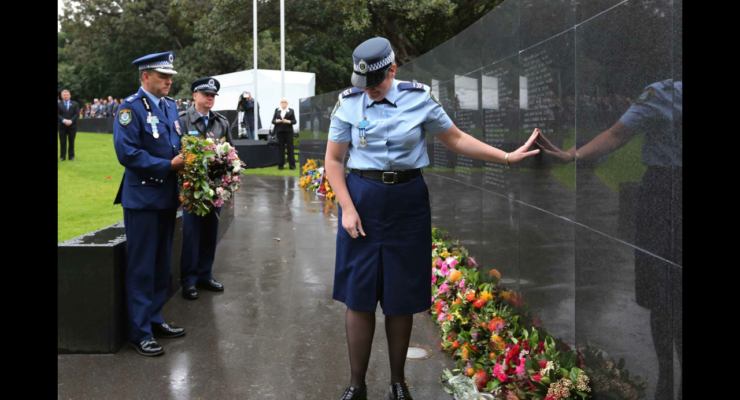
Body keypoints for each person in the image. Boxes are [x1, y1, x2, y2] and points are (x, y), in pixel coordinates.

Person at [325, 37, 541, 400]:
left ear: (393, 70)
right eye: (365, 84)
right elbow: (334, 161)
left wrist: (505, 156)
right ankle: (356, 385)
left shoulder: (419, 98)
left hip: (408, 202)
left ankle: (398, 383)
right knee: (358, 295)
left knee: (401, 294)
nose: (370, 90)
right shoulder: (348, 102)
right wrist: (346, 207)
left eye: (376, 82)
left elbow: (455, 139)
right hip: (362, 200)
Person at [536, 79, 682, 400]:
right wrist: (574, 155)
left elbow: (617, 134)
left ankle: (669, 374)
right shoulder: (665, 92)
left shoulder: (664, 92)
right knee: (661, 291)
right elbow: (617, 134)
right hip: (662, 192)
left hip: (662, 192)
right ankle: (666, 373)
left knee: (667, 292)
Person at [113, 51, 187, 357]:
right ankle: (139, 332)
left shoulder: (169, 106)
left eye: (170, 77)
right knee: (142, 266)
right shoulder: (129, 108)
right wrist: (168, 165)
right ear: (146, 77)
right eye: (163, 76)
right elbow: (127, 153)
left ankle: (154, 319)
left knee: (160, 265)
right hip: (143, 199)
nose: (168, 82)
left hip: (166, 197)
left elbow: (177, 144)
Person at [177, 76, 231, 300]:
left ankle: (205, 275)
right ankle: (189, 280)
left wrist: (227, 181)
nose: (210, 98)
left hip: (214, 187)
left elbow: (230, 152)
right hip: (191, 188)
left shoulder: (221, 122)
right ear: (194, 96)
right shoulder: (181, 120)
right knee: (191, 235)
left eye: (213, 95)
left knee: (210, 233)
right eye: (206, 94)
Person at [272, 98, 297, 170]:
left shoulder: (291, 111)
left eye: (285, 102)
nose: (283, 103)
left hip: (289, 131)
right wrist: (276, 121)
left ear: (287, 103)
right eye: (282, 102)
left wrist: (288, 121)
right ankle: (280, 165)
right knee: (281, 149)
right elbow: (273, 121)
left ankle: (292, 166)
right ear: (280, 103)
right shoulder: (277, 110)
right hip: (280, 131)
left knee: (290, 148)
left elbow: (294, 121)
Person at [58, 89, 80, 161]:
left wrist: (71, 121)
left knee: (71, 141)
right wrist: (64, 120)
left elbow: (76, 114)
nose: (66, 96)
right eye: (64, 95)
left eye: (67, 95)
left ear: (70, 95)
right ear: (62, 96)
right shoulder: (59, 104)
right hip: (62, 125)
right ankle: (62, 156)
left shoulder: (75, 104)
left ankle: (71, 156)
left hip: (72, 125)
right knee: (62, 141)